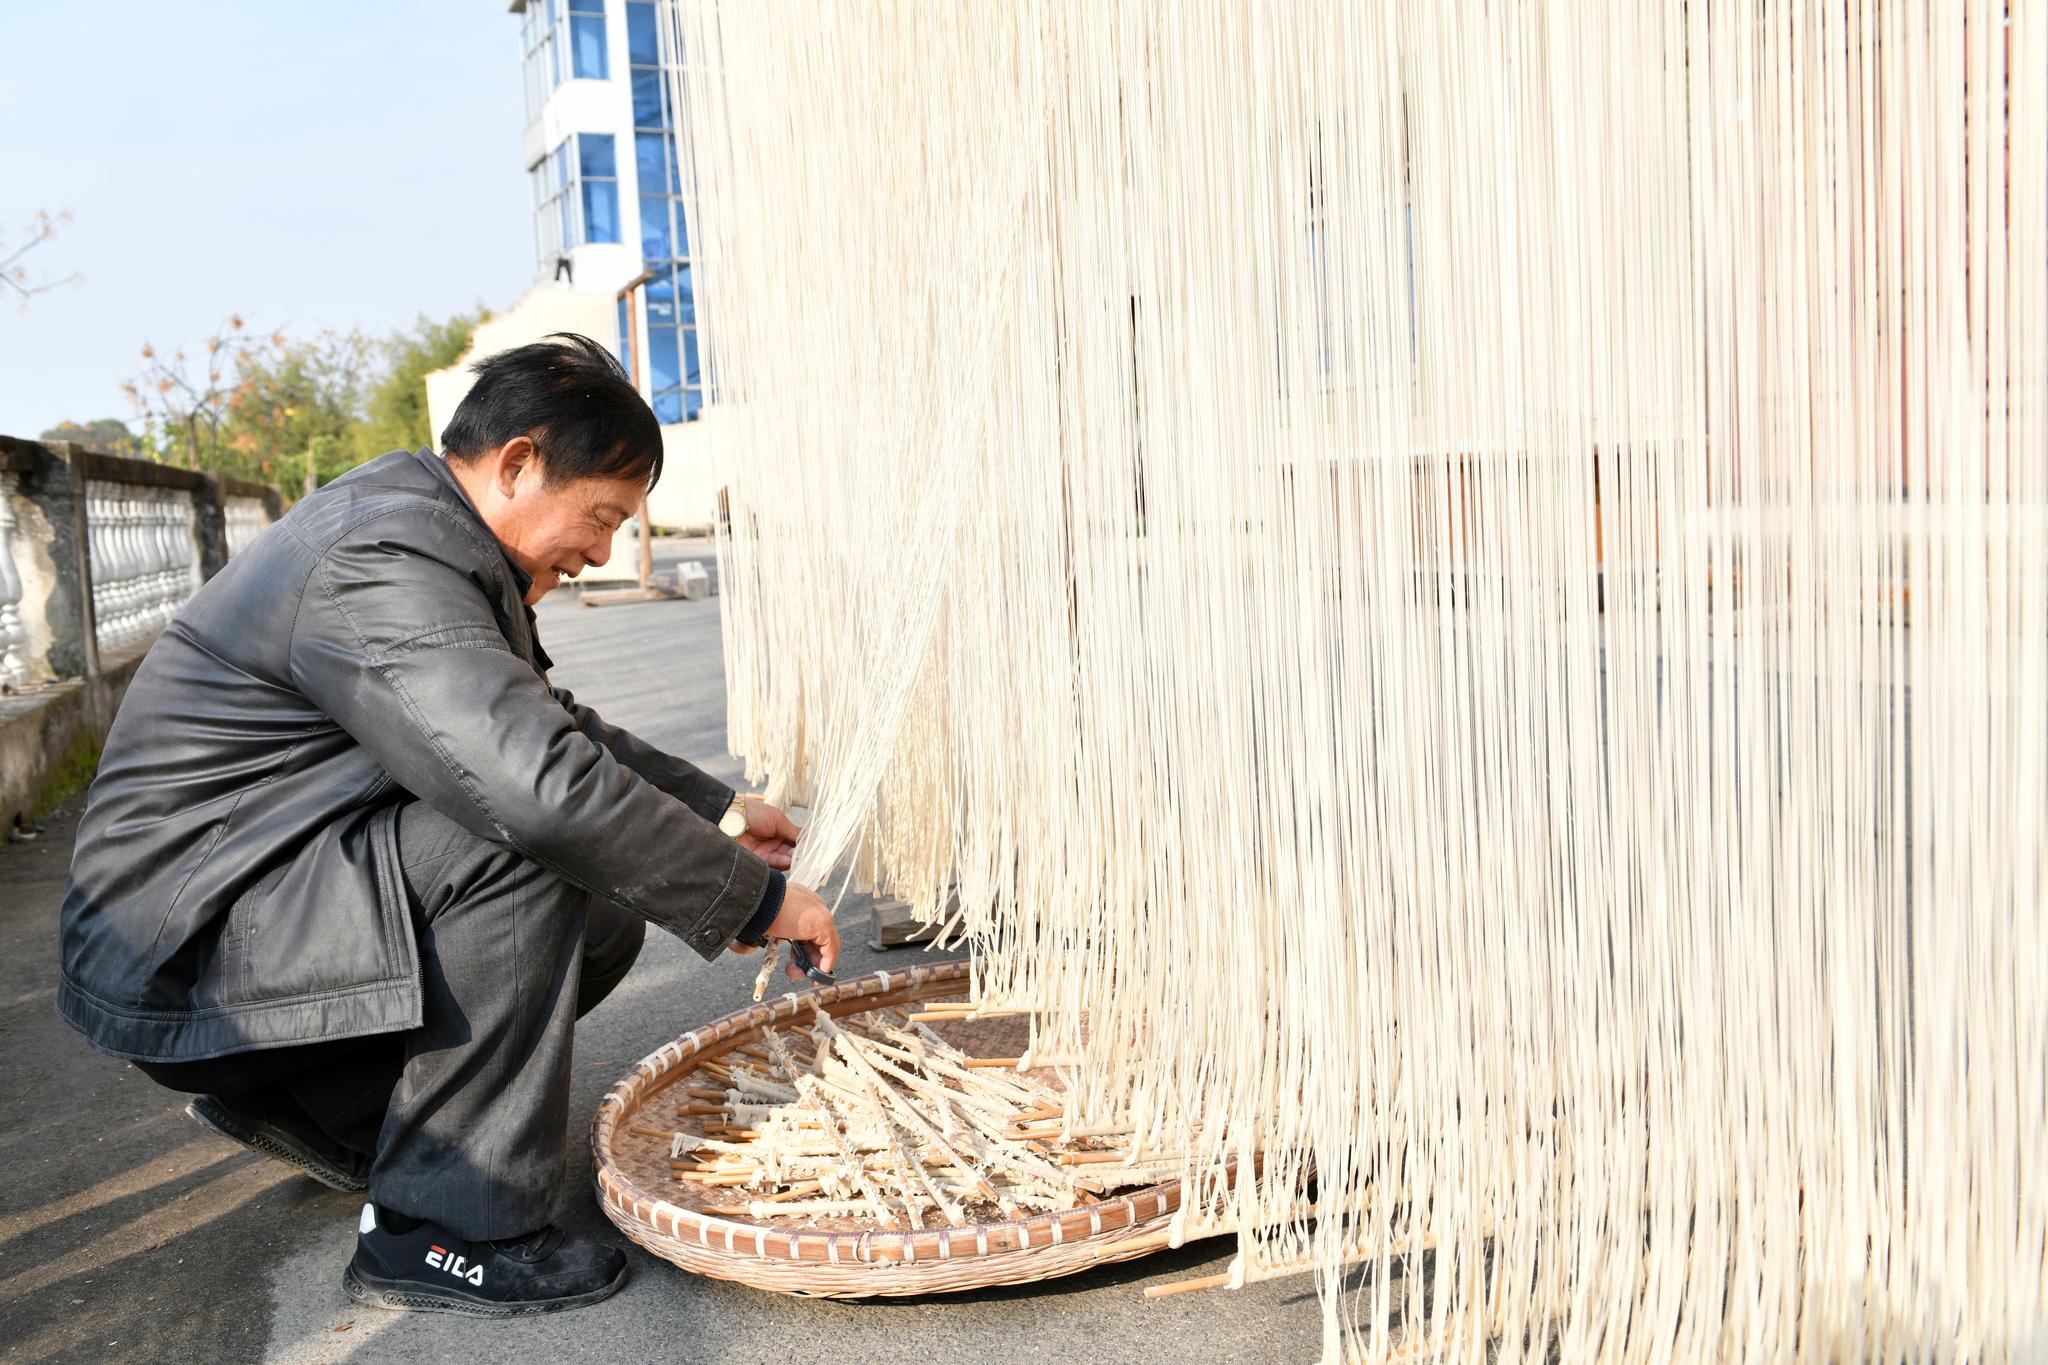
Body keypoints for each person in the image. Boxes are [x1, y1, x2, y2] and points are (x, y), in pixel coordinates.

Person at [55, 334, 840, 1316]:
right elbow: (529, 783)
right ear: (516, 462)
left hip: (238, 911)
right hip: (187, 941)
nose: (601, 552)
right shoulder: (383, 555)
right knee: (522, 851)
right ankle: (441, 1229)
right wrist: (755, 898)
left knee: (599, 909)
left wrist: (713, 812)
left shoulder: (425, 528)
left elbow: (540, 724)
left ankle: (346, 1120)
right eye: (601, 517)